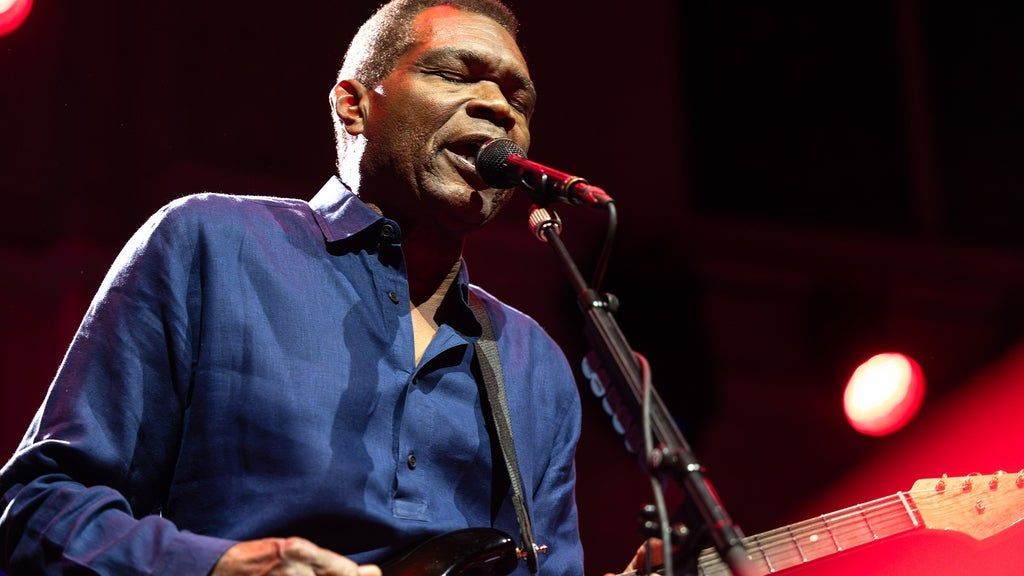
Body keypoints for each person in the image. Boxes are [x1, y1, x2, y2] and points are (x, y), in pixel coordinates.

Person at [0, 1, 587, 574]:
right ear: (353, 106)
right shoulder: (211, 243)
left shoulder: (534, 362)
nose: (498, 108)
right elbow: (38, 509)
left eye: (519, 100)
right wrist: (223, 566)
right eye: (456, 75)